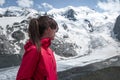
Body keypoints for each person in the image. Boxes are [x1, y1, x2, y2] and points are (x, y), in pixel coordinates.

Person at [16, 16, 58, 80]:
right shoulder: (34, 50)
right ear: (49, 29)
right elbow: (22, 78)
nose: (56, 32)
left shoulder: (49, 51)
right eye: (56, 29)